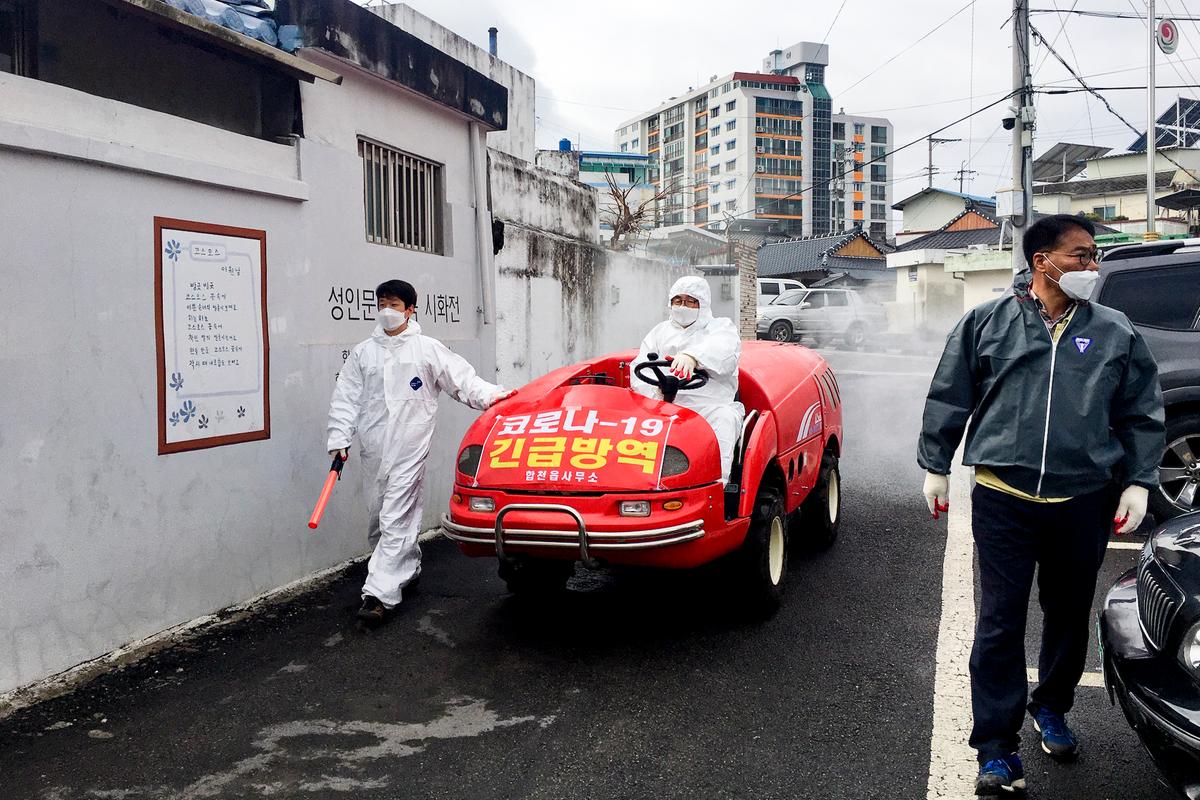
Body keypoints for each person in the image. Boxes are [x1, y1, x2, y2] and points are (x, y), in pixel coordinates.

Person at [917, 214, 1164, 796]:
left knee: (1068, 612)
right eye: (1080, 255)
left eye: (1094, 254)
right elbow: (950, 395)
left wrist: (1138, 480)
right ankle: (996, 748)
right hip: (1004, 496)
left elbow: (1139, 409)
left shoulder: (1113, 330)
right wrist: (935, 465)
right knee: (999, 620)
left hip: (1082, 498)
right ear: (1041, 262)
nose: (1091, 266)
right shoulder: (987, 322)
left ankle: (1051, 707)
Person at [327, 279, 513, 626]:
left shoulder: (427, 350)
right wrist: (340, 438)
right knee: (378, 518)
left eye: (395, 304)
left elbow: (464, 381)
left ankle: (379, 595)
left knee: (395, 516)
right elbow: (346, 398)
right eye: (382, 303)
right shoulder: (363, 353)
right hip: (373, 450)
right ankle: (406, 567)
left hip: (410, 448)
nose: (387, 311)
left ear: (411, 309)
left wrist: (496, 396)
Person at [631, 276, 743, 481]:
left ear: (703, 303)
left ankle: (716, 483)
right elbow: (640, 367)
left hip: (707, 407)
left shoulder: (720, 328)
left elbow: (724, 351)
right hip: (662, 406)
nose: (683, 306)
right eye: (678, 300)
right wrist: (656, 391)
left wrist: (693, 357)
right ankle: (637, 481)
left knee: (725, 419)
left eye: (691, 301)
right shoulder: (659, 332)